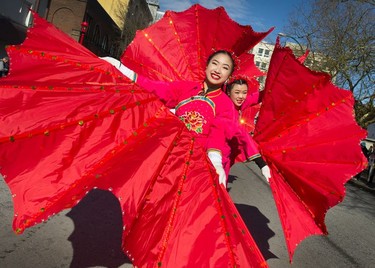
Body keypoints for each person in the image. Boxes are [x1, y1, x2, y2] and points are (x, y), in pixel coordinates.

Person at [101, 51, 271, 186]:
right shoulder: (185, 88)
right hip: (173, 157)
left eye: (225, 68)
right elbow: (155, 88)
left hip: (202, 164)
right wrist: (121, 68)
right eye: (215, 63)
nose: (218, 70)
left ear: (229, 76)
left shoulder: (226, 105)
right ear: (206, 66)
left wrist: (216, 162)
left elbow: (217, 134)